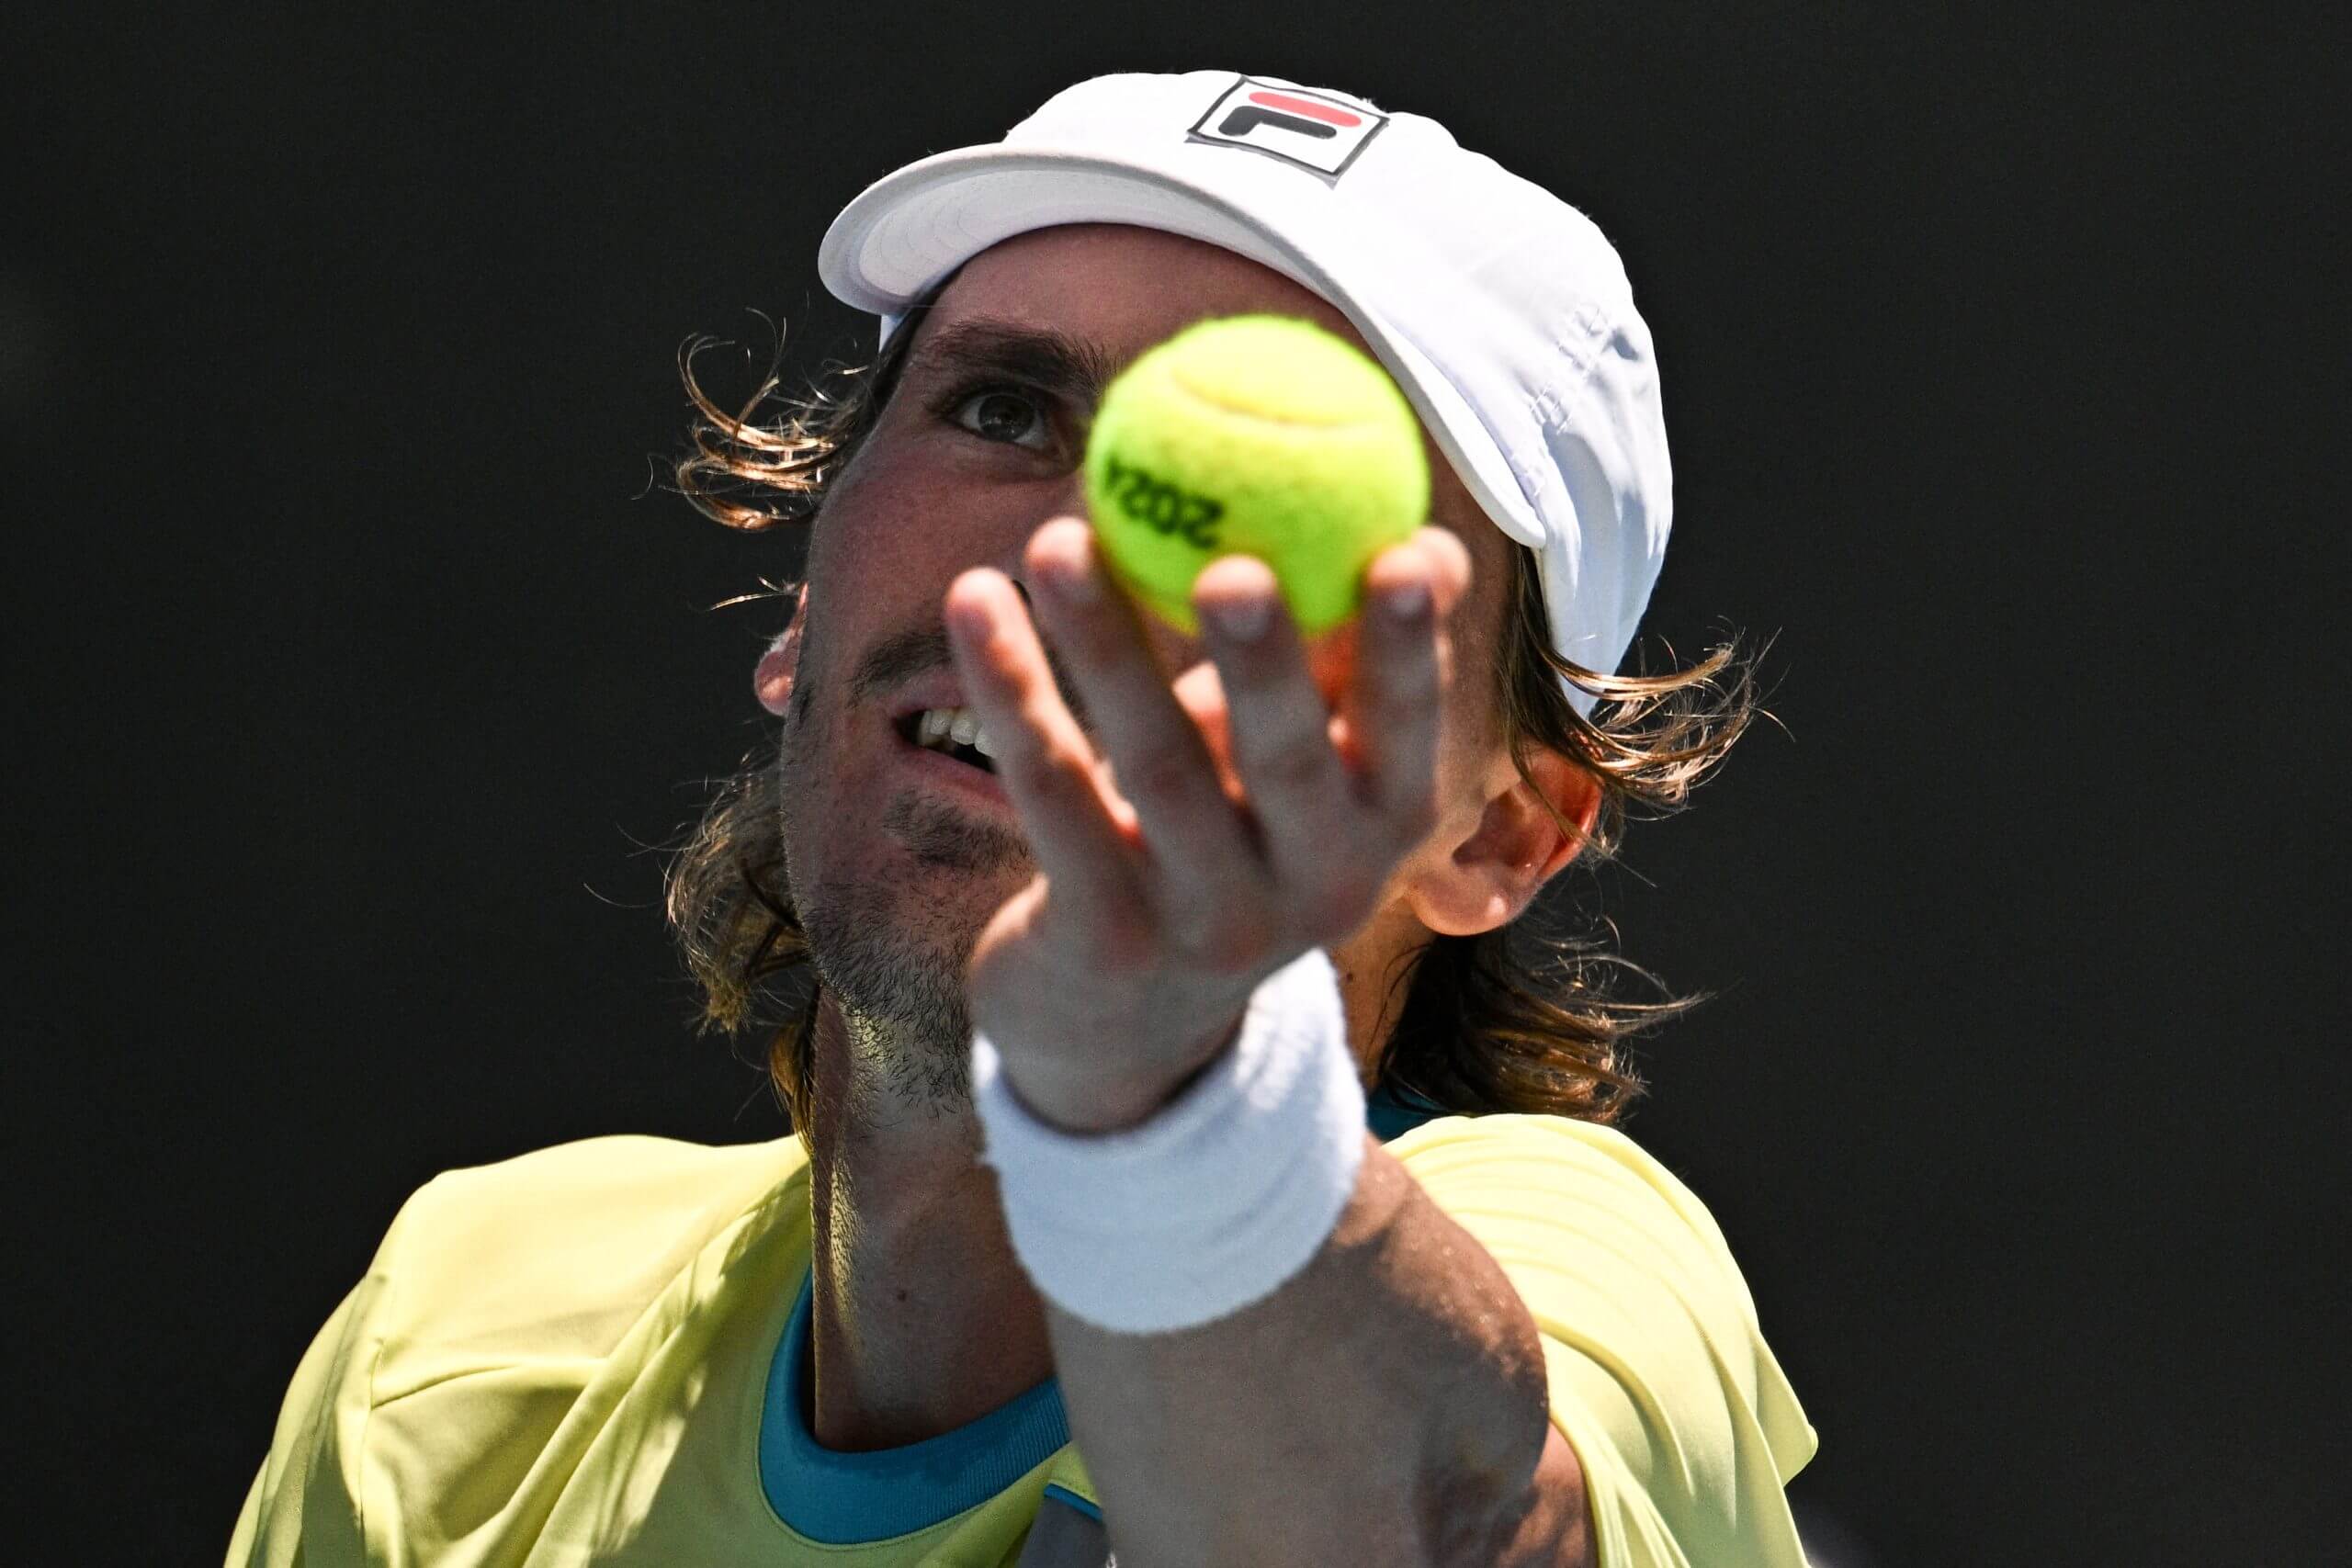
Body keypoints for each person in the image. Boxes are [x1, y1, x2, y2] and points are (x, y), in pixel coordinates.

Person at [228, 69, 1815, 1567]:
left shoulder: (1587, 1272)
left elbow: (1456, 1525)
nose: (1082, 558)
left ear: (1502, 835)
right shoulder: (453, 1344)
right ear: (806, 606)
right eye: (1002, 411)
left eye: (1273, 515)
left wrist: (1170, 1100)